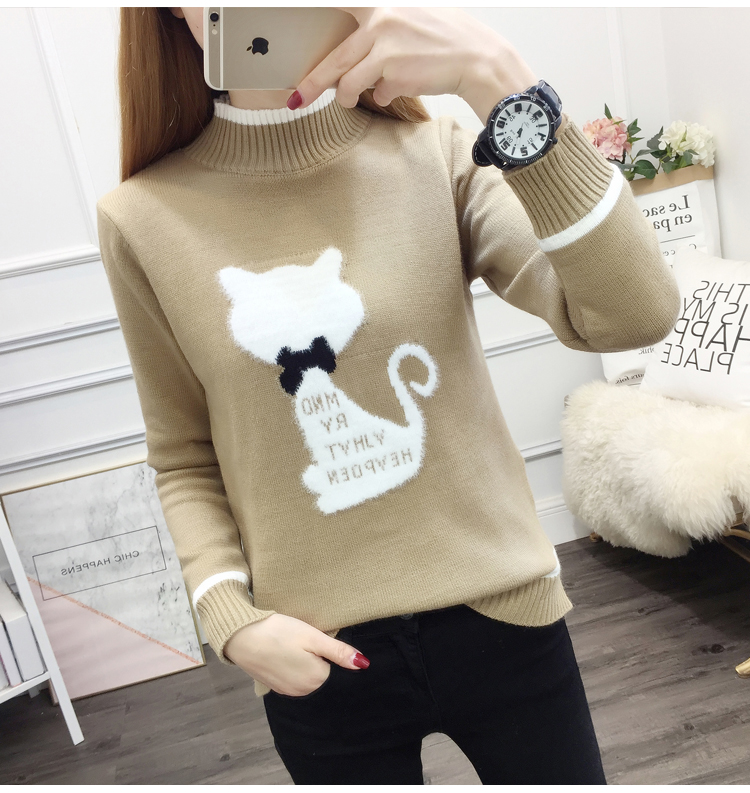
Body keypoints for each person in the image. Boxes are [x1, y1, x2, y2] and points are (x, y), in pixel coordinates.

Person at [97, 7, 680, 785]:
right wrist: (230, 620)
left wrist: (500, 80)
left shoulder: (435, 153)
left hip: (505, 614)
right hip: (317, 653)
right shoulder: (142, 218)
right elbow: (182, 455)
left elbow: (635, 313)